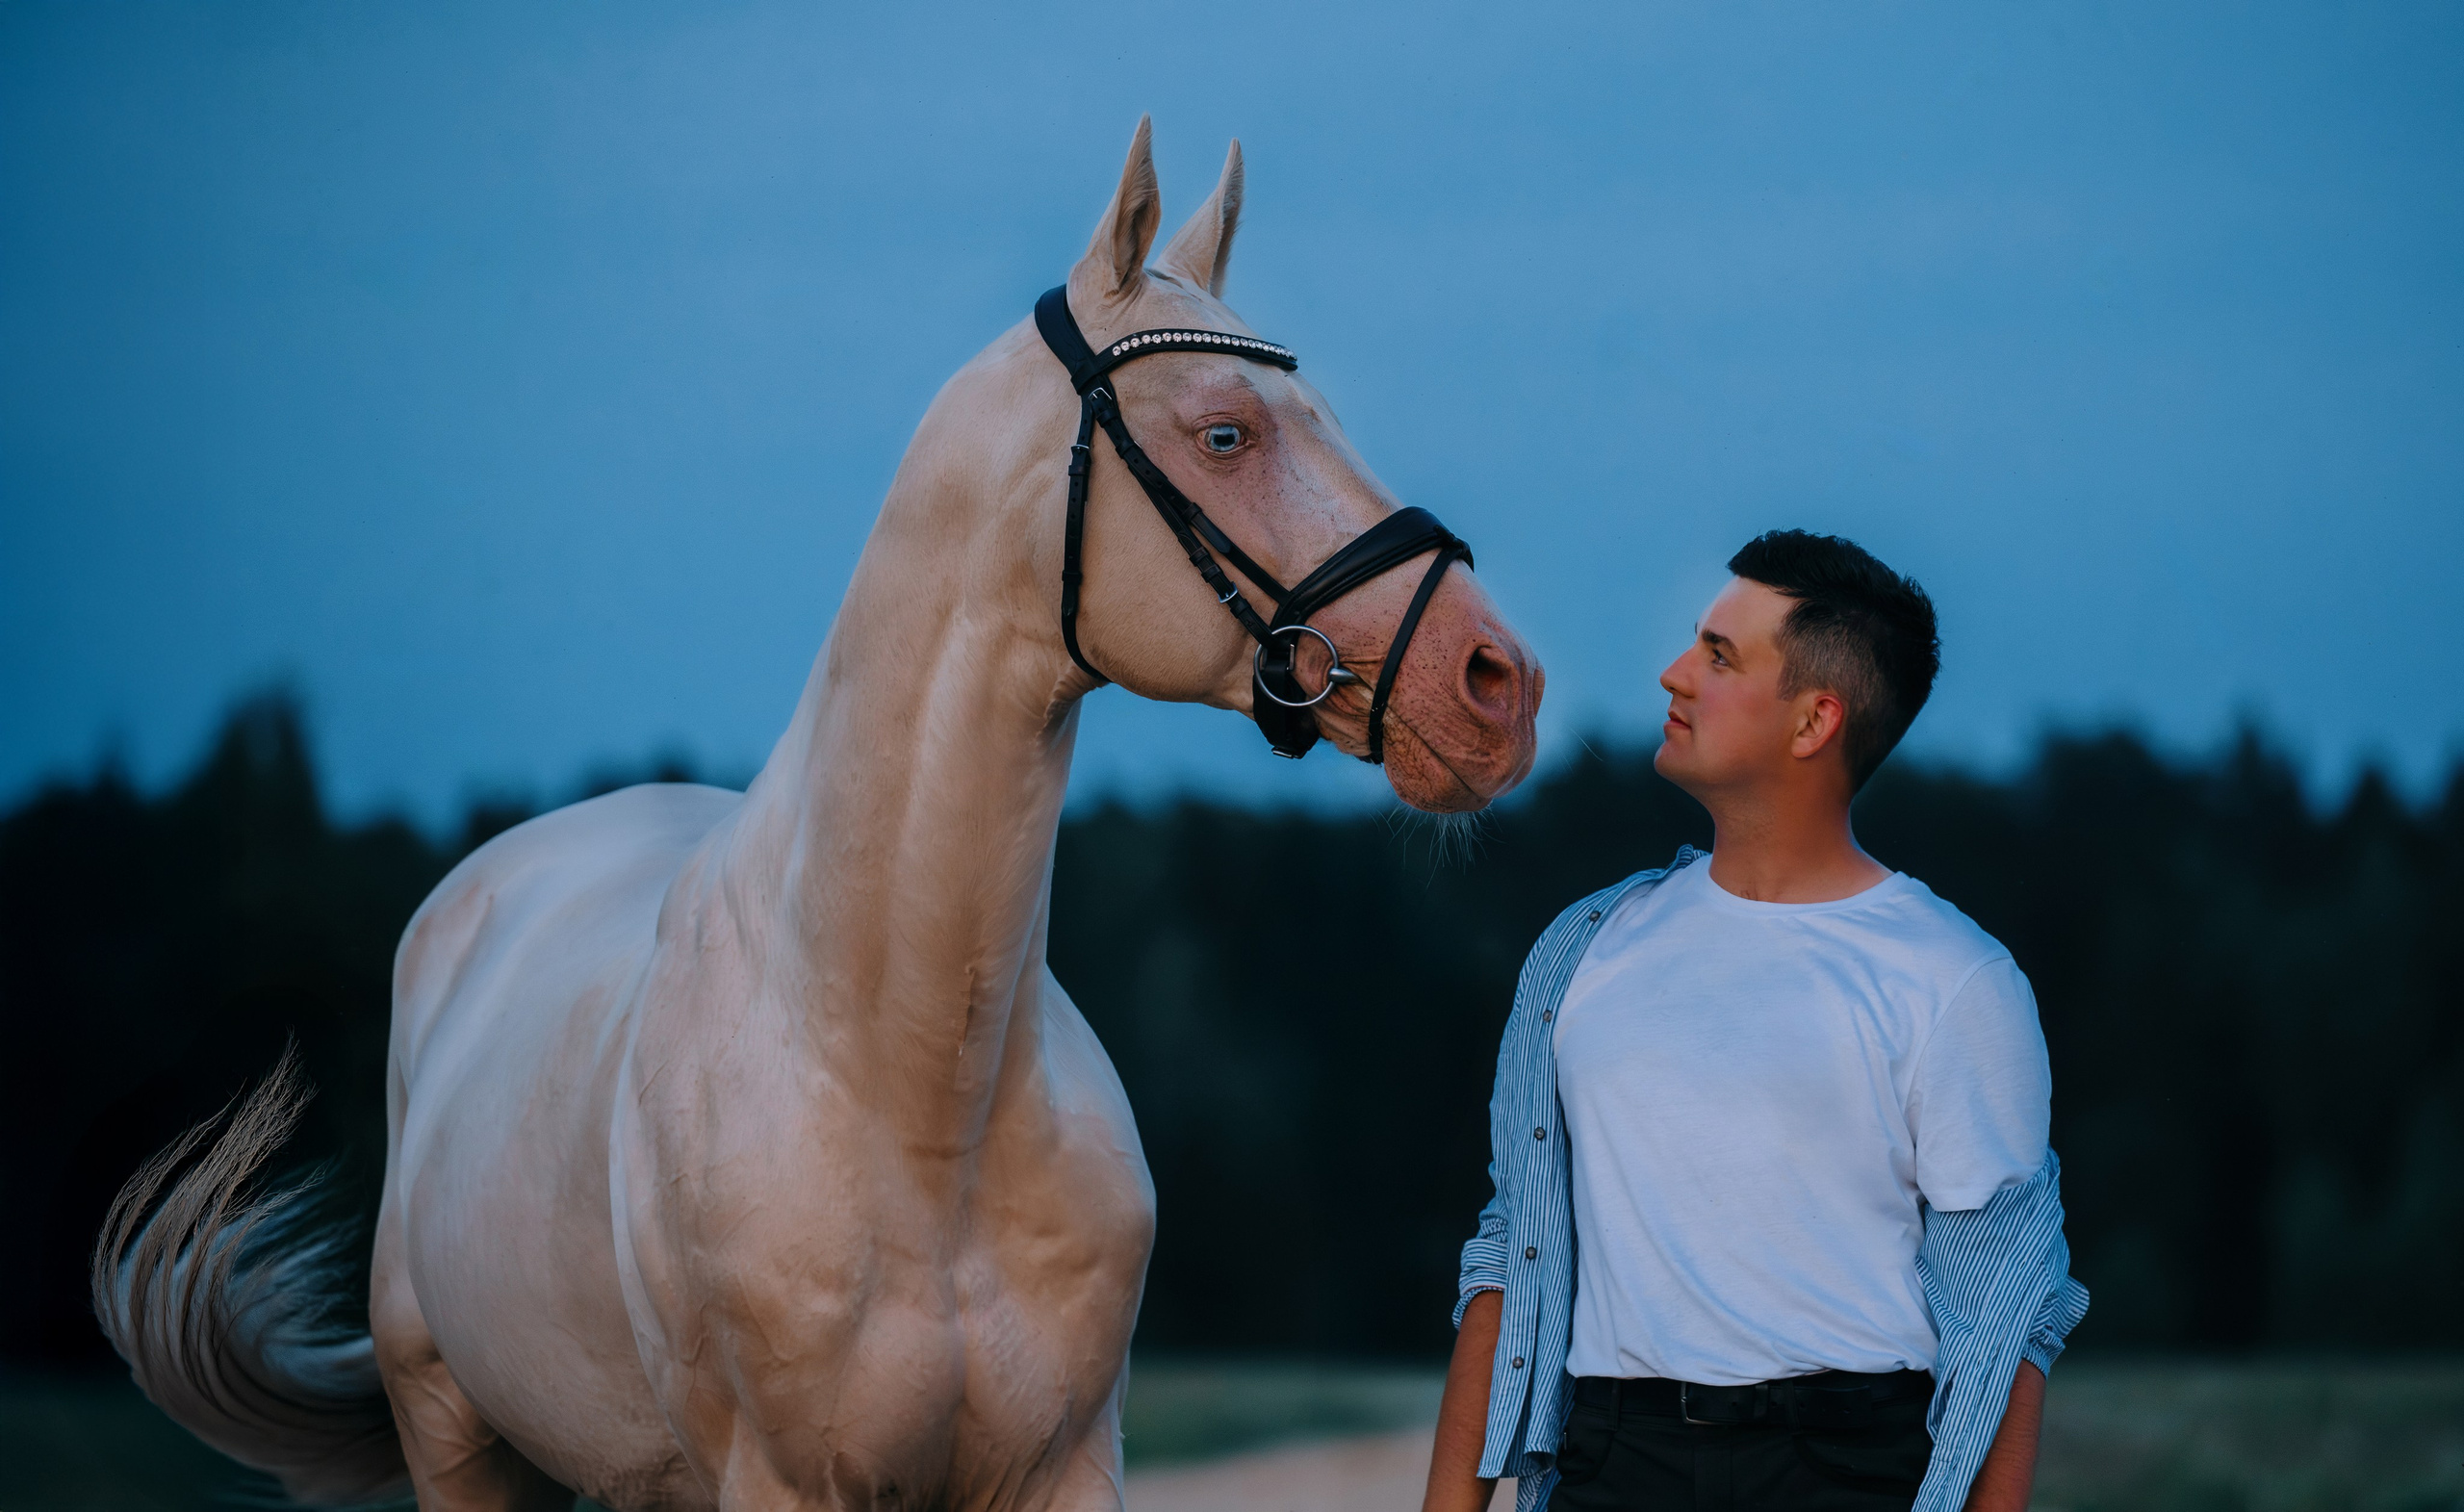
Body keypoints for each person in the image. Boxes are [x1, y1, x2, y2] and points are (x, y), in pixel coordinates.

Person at [1422, 531, 2087, 1512]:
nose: (1673, 673)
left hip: (1847, 1469)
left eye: (1719, 655)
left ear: (1815, 719)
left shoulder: (1952, 978)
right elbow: (1510, 1252)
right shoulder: (1584, 950)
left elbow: (2006, 1311)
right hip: (1612, 1463)